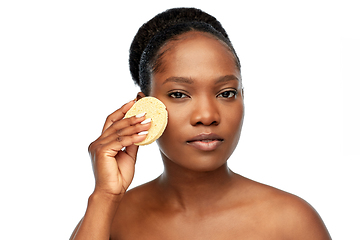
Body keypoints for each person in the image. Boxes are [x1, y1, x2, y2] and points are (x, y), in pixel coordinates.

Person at [70, 7, 331, 239]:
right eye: (179, 94)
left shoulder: (292, 222)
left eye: (226, 93)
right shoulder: (111, 220)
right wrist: (105, 197)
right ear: (145, 107)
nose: (207, 115)